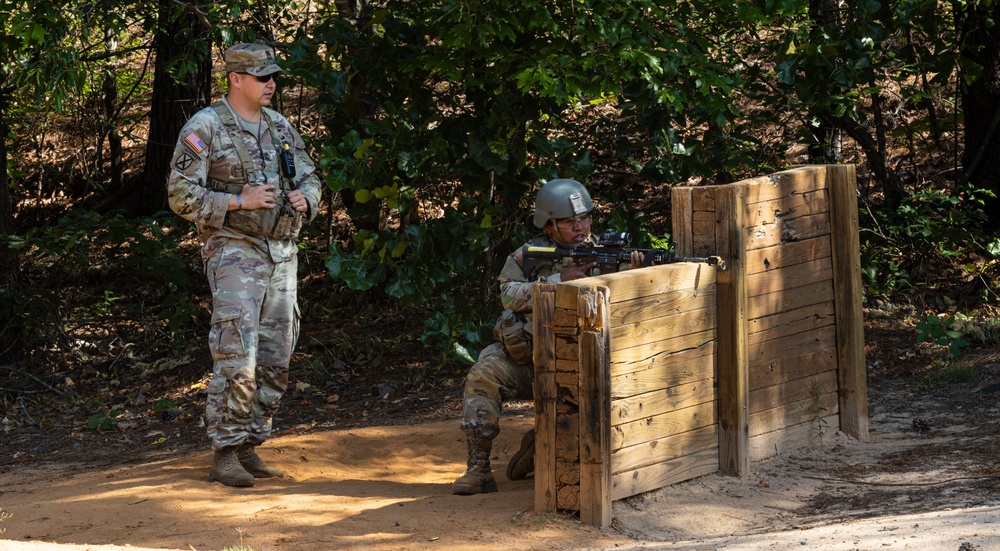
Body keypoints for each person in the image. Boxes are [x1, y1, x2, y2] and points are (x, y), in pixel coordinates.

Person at [166, 43, 322, 487]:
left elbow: (309, 176)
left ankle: (251, 442)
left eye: (273, 77)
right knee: (238, 352)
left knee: (278, 355)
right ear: (236, 79)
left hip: (281, 252)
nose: (271, 84)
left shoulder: (279, 125)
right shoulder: (206, 127)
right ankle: (226, 451)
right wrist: (239, 199)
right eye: (262, 77)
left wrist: (304, 199)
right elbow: (179, 196)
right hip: (235, 249)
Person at [452, 178, 642, 494]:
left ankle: (542, 446)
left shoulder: (608, 254)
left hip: (581, 359)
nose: (580, 226)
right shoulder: (530, 255)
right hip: (526, 355)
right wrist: (556, 281)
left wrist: (635, 271)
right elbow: (507, 294)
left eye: (585, 218)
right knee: (481, 376)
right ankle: (479, 470)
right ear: (550, 226)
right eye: (569, 221)